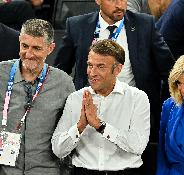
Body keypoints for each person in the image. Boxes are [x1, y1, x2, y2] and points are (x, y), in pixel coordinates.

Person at [54, 0, 174, 142]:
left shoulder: (144, 25)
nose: (120, 5)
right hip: (89, 111)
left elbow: (169, 70)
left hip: (130, 114)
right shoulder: (77, 26)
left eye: (124, 0)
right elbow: (60, 72)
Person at [52, 39, 150, 175]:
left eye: (101, 67)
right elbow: (58, 149)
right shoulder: (76, 98)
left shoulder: (137, 98)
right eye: (90, 65)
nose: (92, 73)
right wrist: (80, 126)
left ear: (118, 69)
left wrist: (101, 126)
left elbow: (137, 146)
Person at [0, 19, 75, 175]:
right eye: (25, 46)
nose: (29, 53)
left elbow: (71, 131)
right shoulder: (1, 74)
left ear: (51, 48)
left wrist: (65, 173)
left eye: (37, 48)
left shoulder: (63, 83)